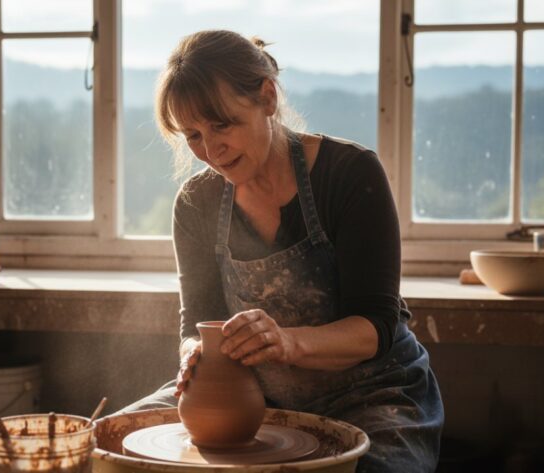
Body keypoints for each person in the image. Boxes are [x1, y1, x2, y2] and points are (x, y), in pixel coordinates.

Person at [118, 30, 444, 473]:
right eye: (192, 135)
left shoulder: (349, 175)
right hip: (257, 396)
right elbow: (196, 320)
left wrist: (287, 342)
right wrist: (195, 354)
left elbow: (377, 326)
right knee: (107, 446)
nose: (210, 151)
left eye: (222, 125)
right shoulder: (197, 204)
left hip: (376, 395)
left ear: (267, 98)